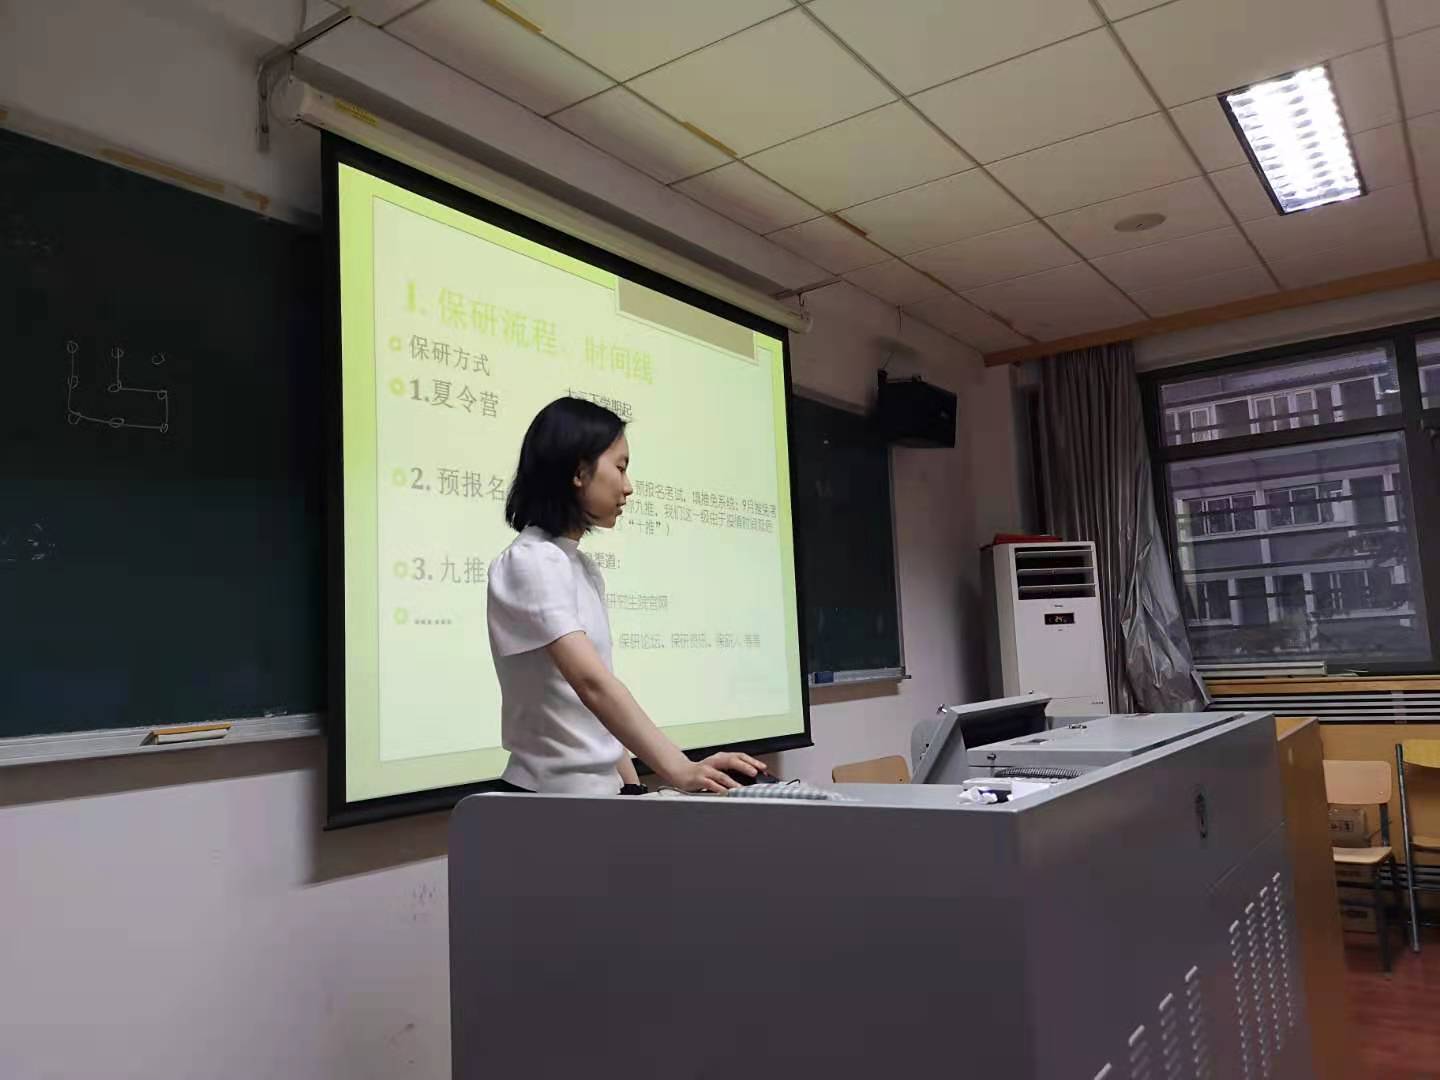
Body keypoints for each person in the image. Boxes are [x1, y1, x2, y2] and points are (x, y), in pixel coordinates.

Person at [486, 397, 766, 795]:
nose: (628, 486)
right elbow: (592, 683)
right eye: (620, 467)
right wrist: (679, 768)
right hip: (549, 798)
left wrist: (631, 786)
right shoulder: (530, 561)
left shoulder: (581, 567)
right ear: (579, 472)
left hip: (600, 793)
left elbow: (597, 698)